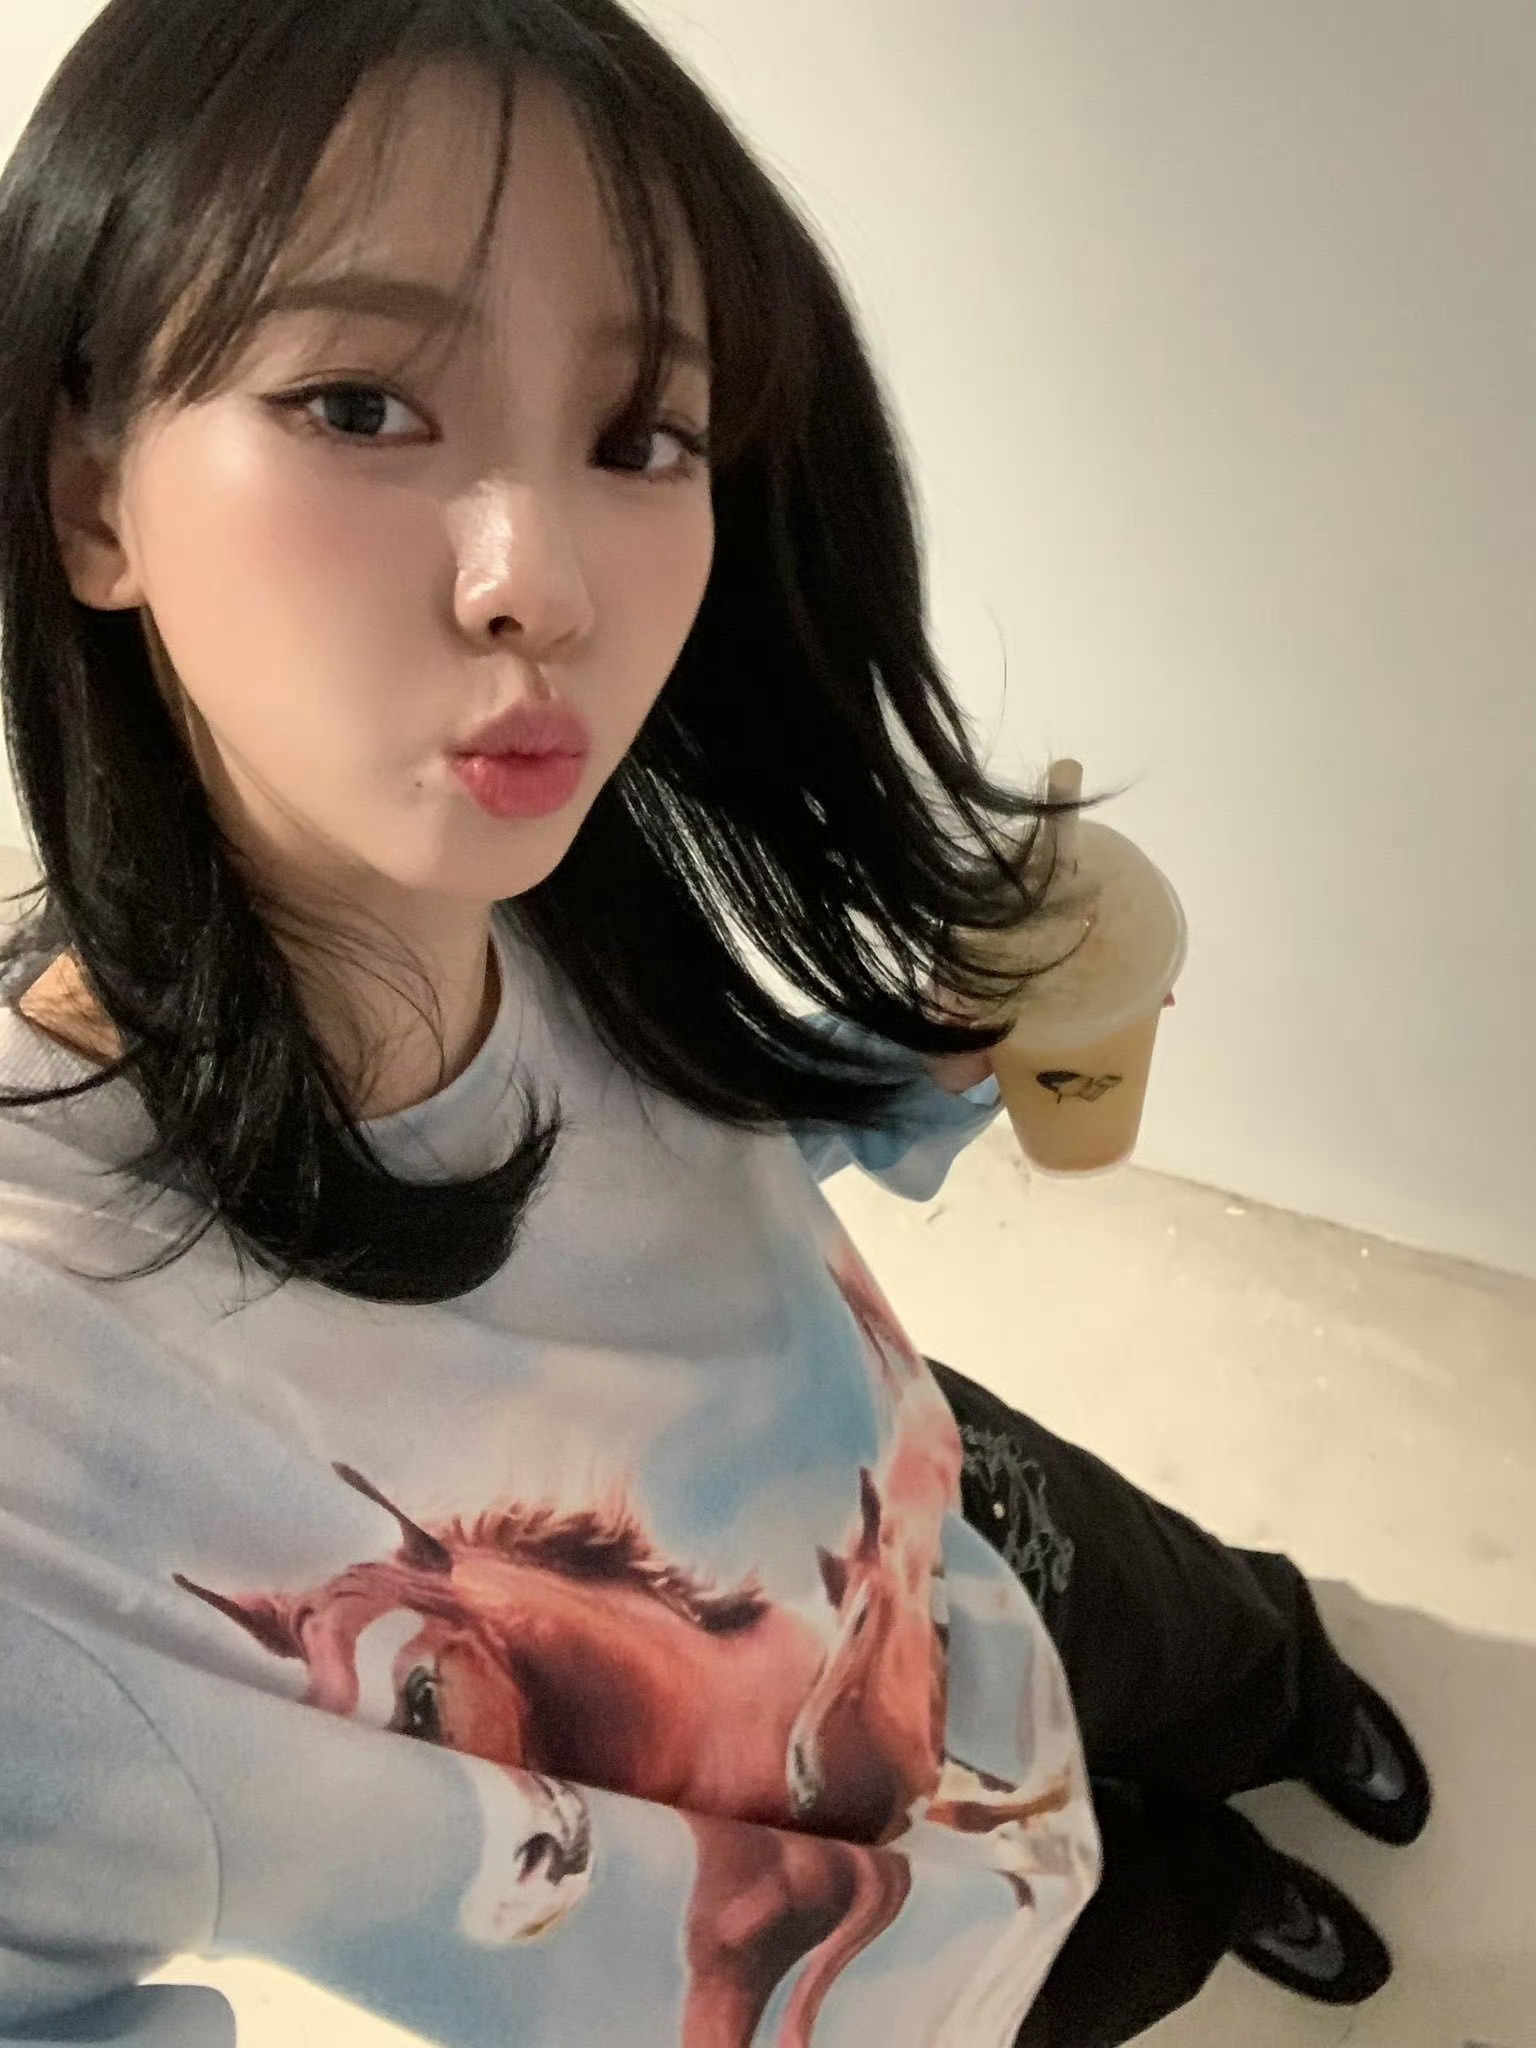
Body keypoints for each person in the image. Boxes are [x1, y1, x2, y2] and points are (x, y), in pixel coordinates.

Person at [0, 4, 1427, 2045]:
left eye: (638, 437)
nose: (543, 583)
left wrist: (919, 1058)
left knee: (1205, 1640)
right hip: (853, 1940)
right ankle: (1224, 1885)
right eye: (358, 401)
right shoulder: (45, 1400)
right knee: (1132, 1929)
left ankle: (1296, 1698)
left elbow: (691, 1124)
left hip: (942, 1506)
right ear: (89, 494)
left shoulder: (554, 871)